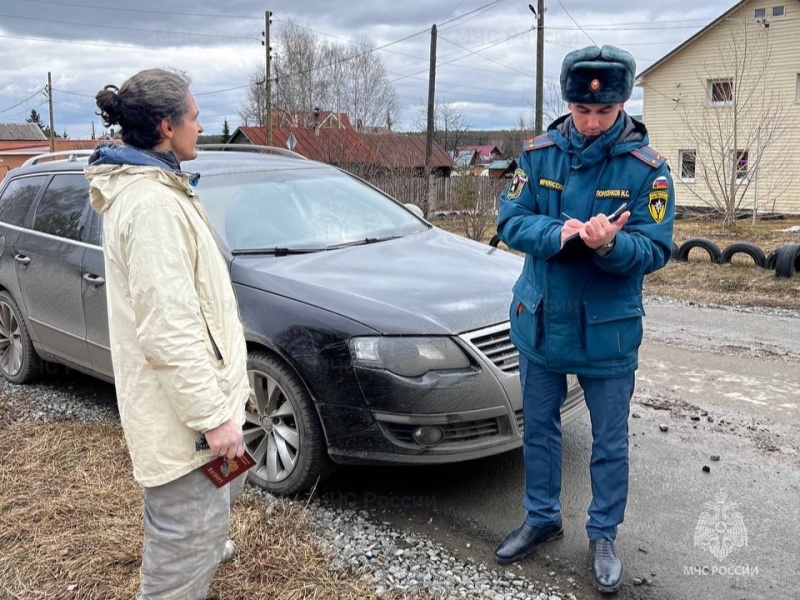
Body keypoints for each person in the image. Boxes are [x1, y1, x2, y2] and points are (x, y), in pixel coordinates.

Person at [494, 45, 675, 594]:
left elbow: (655, 250)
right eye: (582, 110)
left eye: (604, 111)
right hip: (542, 322)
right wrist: (563, 234)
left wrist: (609, 246)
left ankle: (603, 534)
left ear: (622, 104)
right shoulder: (538, 156)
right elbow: (510, 221)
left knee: (609, 442)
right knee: (540, 434)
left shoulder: (649, 170)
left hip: (607, 332)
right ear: (568, 102)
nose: (593, 122)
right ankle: (542, 517)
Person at [85, 69, 251, 599]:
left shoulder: (162, 185)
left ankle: (204, 547)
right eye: (195, 117)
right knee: (182, 542)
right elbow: (168, 329)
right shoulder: (153, 204)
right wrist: (212, 417)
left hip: (200, 411)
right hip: (187, 424)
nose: (201, 126)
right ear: (166, 126)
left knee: (205, 519)